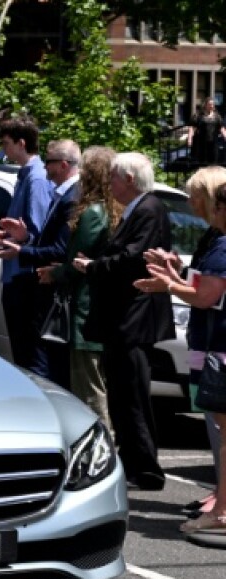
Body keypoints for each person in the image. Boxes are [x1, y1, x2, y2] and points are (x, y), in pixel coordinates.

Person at [73, 152, 173, 491]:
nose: (110, 184)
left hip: (134, 318)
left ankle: (146, 467)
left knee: (132, 395)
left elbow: (133, 259)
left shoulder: (149, 209)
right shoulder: (135, 210)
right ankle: (132, 463)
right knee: (120, 392)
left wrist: (93, 267)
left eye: (114, 178)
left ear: (129, 179)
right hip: (121, 319)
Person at [135, 166, 226, 519]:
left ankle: (221, 501)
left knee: (219, 422)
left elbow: (206, 295)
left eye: (197, 196)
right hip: (206, 339)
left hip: (216, 340)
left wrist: (169, 285)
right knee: (212, 418)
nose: (192, 203)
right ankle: (219, 495)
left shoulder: (220, 242)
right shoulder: (211, 237)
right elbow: (202, 282)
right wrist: (176, 273)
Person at [37, 146, 118, 433]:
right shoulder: (108, 210)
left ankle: (103, 450)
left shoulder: (94, 213)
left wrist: (54, 273)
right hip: (94, 309)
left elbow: (76, 262)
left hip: (85, 312)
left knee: (89, 390)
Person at [0, 139, 82, 388]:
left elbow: (60, 250)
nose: (45, 167)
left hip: (53, 289)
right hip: (44, 288)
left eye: (49, 161)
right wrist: (25, 238)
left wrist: (21, 250)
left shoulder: (72, 198)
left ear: (63, 165)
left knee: (43, 363)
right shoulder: (60, 194)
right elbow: (45, 239)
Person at [0, 118, 55, 378]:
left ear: (22, 143)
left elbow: (37, 231)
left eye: (7, 144)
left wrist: (20, 240)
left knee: (30, 353)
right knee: (21, 351)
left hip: (25, 276)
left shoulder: (37, 179)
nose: (4, 150)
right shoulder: (26, 176)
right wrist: (4, 233)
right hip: (16, 273)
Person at [188, 98, 225, 166]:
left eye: (213, 104)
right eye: (210, 104)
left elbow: (222, 129)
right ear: (205, 105)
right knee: (202, 162)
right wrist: (190, 139)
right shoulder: (198, 116)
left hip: (214, 143)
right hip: (201, 142)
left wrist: (225, 137)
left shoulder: (217, 116)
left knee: (213, 162)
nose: (212, 106)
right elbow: (192, 128)